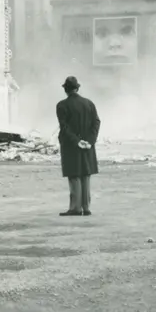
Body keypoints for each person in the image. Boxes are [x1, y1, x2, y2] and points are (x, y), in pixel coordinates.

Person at [56, 76, 101, 217]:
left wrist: (76, 141)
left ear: (65, 89)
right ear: (78, 88)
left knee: (74, 175)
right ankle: (86, 207)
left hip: (71, 145)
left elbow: (65, 127)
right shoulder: (89, 104)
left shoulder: (62, 105)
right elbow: (96, 123)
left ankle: (75, 208)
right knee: (85, 174)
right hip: (88, 145)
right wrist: (89, 140)